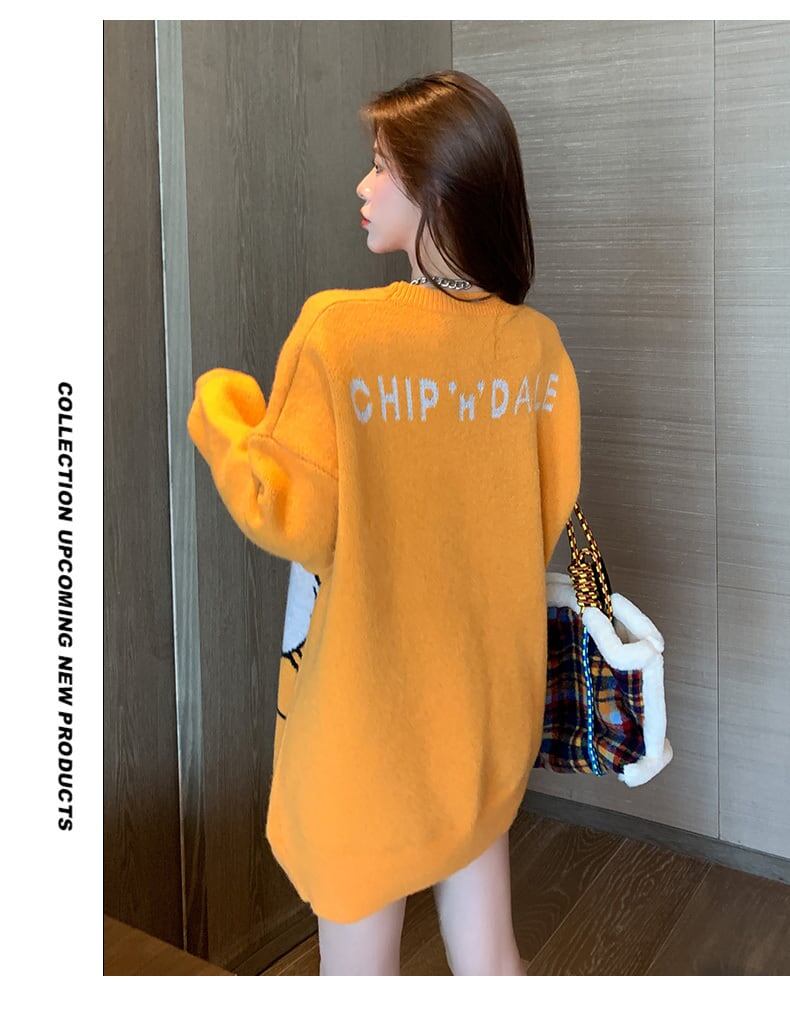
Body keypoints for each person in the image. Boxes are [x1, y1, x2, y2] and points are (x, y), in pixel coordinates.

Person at [187, 69, 581, 976]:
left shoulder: (339, 333)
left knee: (358, 977)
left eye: (380, 166)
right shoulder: (536, 348)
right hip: (480, 719)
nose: (362, 186)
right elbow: (542, 514)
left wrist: (222, 409)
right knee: (491, 957)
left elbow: (283, 510)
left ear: (438, 184)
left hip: (369, 726)